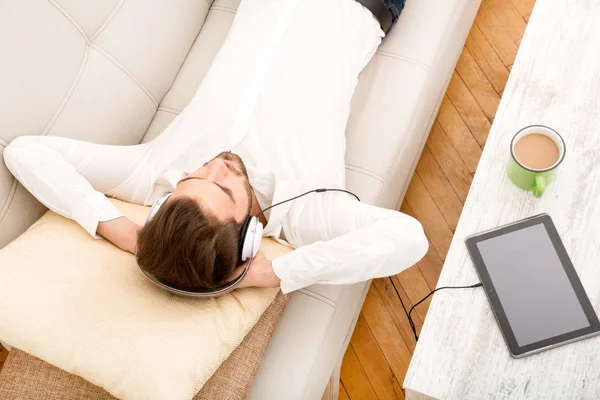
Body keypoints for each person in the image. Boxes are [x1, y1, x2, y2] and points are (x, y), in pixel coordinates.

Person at [4, 0, 427, 294]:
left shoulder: (155, 174)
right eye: (225, 190)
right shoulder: (307, 213)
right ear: (250, 234)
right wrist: (276, 272)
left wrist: (118, 228)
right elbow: (408, 238)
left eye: (195, 178)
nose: (216, 167)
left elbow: (25, 152)